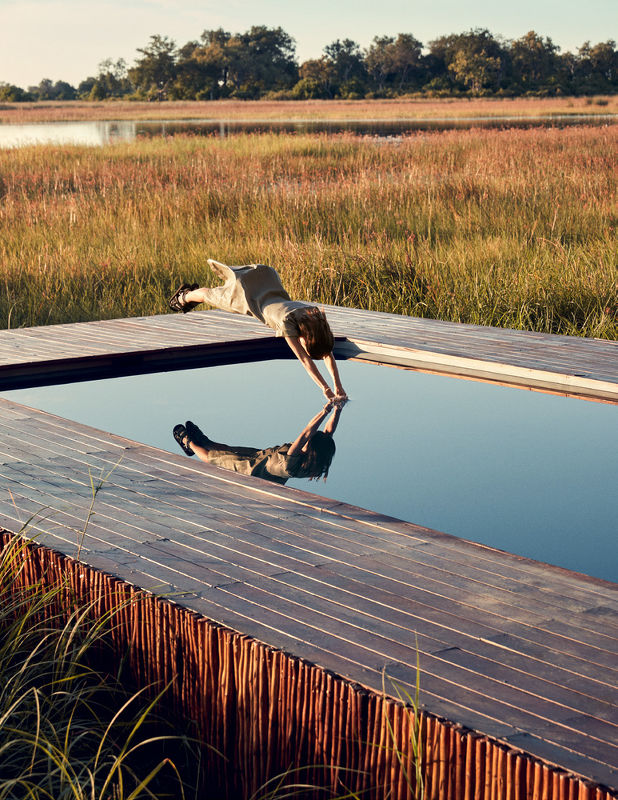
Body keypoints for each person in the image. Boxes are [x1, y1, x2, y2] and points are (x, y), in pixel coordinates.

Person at [169, 260, 347, 402]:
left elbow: (326, 353)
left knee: (216, 294)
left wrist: (338, 386)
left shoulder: (313, 314)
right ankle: (184, 297)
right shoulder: (287, 324)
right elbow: (305, 361)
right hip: (247, 294)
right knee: (210, 295)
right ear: (305, 341)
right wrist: (325, 388)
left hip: (267, 277)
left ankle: (188, 296)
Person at [172, 401, 343, 486]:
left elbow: (306, 432)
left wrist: (324, 410)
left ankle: (190, 443)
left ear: (310, 448)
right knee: (229, 450)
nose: (307, 441)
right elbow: (329, 432)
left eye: (309, 442)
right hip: (263, 456)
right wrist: (338, 408)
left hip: (252, 471)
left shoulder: (291, 463)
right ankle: (205, 441)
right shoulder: (317, 457)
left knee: (214, 458)